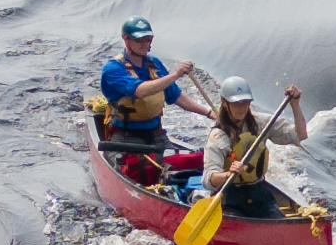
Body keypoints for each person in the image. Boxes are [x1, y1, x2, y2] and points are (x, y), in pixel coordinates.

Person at [94, 18, 202, 180]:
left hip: (156, 135)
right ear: (126, 39)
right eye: (139, 40)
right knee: (138, 173)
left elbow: (176, 96)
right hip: (126, 138)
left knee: (182, 167)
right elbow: (140, 91)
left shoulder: (155, 64)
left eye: (148, 39)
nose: (145, 44)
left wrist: (209, 114)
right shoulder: (112, 69)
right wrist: (176, 74)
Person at [201, 83, 309, 218]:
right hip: (229, 197)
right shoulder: (218, 136)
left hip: (259, 193)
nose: (241, 108)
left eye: (245, 103)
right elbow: (208, 180)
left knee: (277, 221)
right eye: (236, 104)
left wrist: (295, 105)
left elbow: (300, 135)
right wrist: (228, 174)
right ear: (224, 103)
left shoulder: (262, 123)